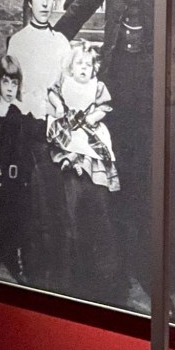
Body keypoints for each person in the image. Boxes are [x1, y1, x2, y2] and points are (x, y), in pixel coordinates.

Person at [55, 0, 175, 300]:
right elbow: (84, 2)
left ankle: (149, 271)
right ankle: (112, 269)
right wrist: (51, 38)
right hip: (114, 86)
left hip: (153, 87)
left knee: (149, 175)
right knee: (115, 173)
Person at [7, 0, 70, 288]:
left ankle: (52, 277)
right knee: (26, 202)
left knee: (52, 204)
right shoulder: (17, 42)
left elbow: (65, 92)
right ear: (29, 0)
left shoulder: (62, 45)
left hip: (51, 133)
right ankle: (28, 269)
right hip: (23, 132)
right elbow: (11, 94)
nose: (45, 3)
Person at [46, 40, 121, 303]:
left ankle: (104, 277)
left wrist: (92, 117)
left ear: (93, 69)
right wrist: (58, 107)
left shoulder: (96, 87)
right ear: (70, 67)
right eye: (79, 64)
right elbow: (52, 92)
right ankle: (72, 277)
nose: (83, 69)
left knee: (98, 212)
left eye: (88, 65)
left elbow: (105, 106)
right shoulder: (65, 85)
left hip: (90, 139)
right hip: (72, 141)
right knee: (72, 212)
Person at [0, 55, 33, 282]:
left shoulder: (19, 111)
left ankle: (13, 258)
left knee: (16, 218)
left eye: (14, 83)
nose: (10, 88)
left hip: (17, 176)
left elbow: (22, 146)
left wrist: (24, 171)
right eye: (6, 83)